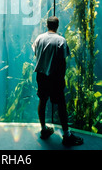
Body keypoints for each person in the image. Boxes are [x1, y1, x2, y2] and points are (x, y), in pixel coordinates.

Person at [32, 16, 83, 146]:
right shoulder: (61, 40)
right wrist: (61, 78)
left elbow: (36, 54)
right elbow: (62, 61)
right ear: (57, 25)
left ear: (46, 25)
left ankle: (43, 129)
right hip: (55, 77)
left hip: (41, 75)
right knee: (61, 104)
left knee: (42, 101)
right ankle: (66, 135)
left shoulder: (39, 38)